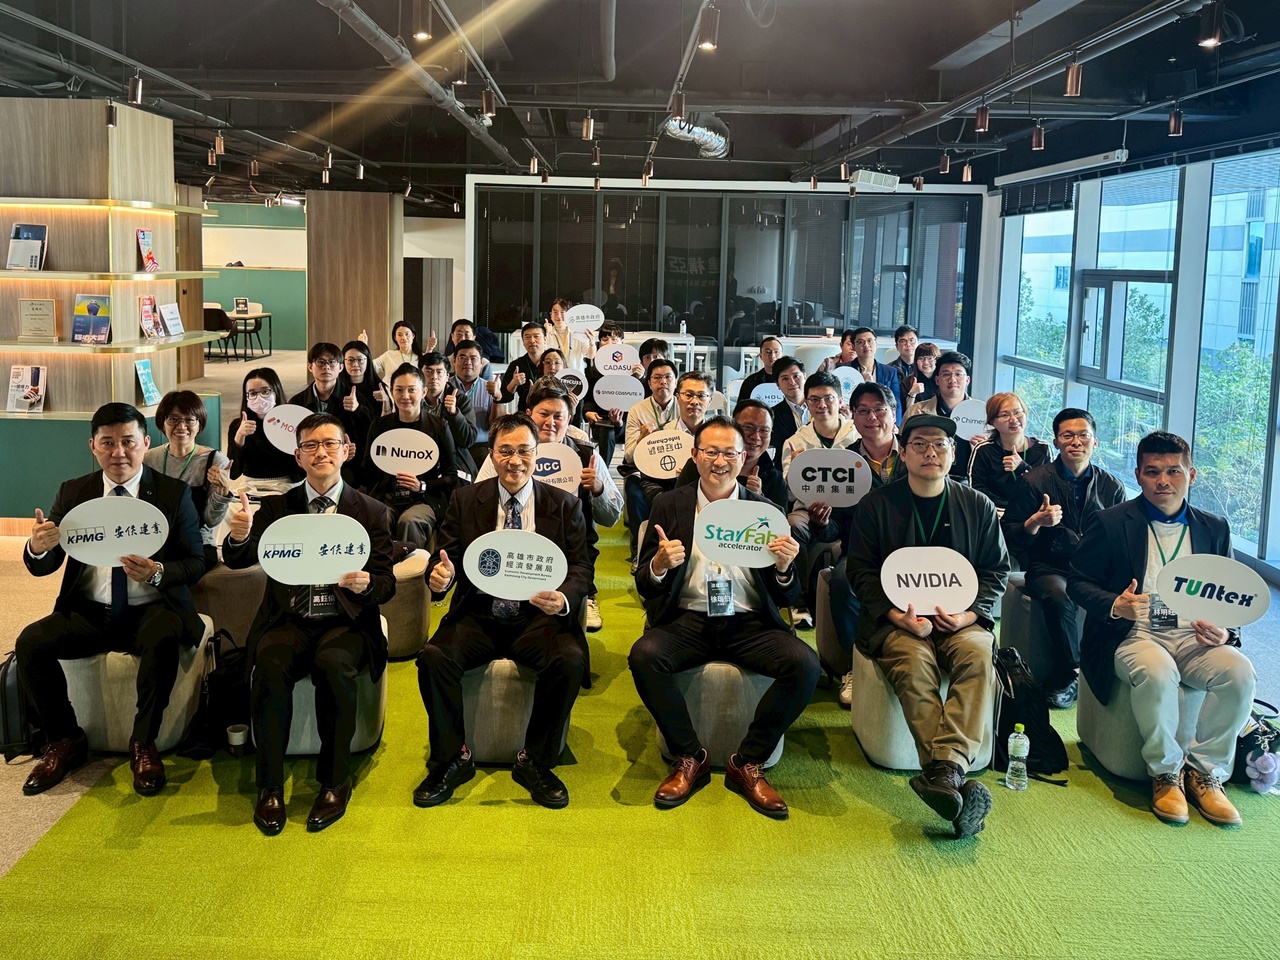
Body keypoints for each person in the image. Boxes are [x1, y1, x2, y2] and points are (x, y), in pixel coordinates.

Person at [16, 403, 210, 797]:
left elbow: (197, 561)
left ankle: (143, 743)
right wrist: (38, 547)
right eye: (107, 443)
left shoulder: (173, 493)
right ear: (93, 446)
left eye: (128, 442)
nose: (118, 452)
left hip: (151, 607)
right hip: (90, 611)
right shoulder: (75, 492)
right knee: (30, 642)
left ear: (145, 443)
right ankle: (65, 739)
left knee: (163, 635)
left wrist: (158, 571)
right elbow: (47, 563)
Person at [629, 415, 819, 818]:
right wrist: (659, 565)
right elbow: (645, 582)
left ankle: (748, 761)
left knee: (805, 665)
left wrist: (785, 568)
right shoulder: (669, 504)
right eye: (711, 452)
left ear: (744, 456)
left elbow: (789, 594)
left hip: (749, 622)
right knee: (644, 655)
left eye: (729, 453)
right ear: (695, 455)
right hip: (688, 618)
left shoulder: (765, 511)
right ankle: (688, 756)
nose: (720, 461)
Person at [1067, 431, 1255, 827]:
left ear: (1192, 475)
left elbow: (1232, 596)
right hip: (1134, 633)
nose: (1163, 481)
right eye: (1152, 472)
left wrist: (1226, 632)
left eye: (1174, 471)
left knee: (1239, 672)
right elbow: (1078, 582)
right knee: (1157, 672)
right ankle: (1165, 774)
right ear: (1138, 474)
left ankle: (1205, 773)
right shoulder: (1111, 523)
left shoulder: (1214, 528)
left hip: (1194, 635)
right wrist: (1115, 604)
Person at [224, 412, 395, 835]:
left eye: (330, 444)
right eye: (311, 446)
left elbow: (387, 583)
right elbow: (239, 559)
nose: (321, 452)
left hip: (346, 621)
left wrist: (368, 584)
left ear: (346, 450)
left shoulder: (371, 511)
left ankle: (335, 782)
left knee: (334, 665)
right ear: (298, 456)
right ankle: (269, 786)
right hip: (290, 618)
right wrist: (239, 535)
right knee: (270, 664)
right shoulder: (277, 508)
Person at [414, 414, 593, 810]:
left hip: (537, 617)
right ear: (492, 455)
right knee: (433, 657)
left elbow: (581, 567)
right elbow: (446, 557)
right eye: (505, 451)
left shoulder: (564, 505)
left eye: (524, 451)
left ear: (537, 454)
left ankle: (536, 761)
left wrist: (564, 598)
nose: (515, 461)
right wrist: (439, 577)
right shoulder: (466, 500)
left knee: (569, 660)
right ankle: (452, 758)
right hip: (479, 614)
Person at [847, 413, 1009, 839]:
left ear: (953, 453)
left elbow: (996, 571)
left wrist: (969, 615)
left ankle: (944, 772)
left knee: (978, 655)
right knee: (914, 663)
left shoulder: (978, 506)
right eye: (919, 444)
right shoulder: (875, 505)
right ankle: (952, 773)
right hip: (898, 621)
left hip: (961, 619)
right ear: (903, 453)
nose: (930, 452)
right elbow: (859, 571)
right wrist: (895, 615)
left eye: (940, 444)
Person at [1003, 408, 1126, 708]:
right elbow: (1008, 534)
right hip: (1048, 566)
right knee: (1059, 595)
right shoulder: (1034, 481)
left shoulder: (1112, 487)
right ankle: (1071, 673)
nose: (1076, 442)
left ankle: (1114, 667)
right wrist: (1035, 522)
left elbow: (1123, 538)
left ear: (1095, 442)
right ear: (1056, 441)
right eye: (1067, 435)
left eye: (1083, 435)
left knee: (1127, 594)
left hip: (1095, 569)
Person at [477, 379, 621, 634]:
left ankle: (586, 595)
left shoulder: (586, 455)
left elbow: (612, 517)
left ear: (569, 419)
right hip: (513, 540)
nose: (550, 423)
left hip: (569, 547)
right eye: (544, 414)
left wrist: (598, 489)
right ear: (529, 414)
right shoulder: (506, 452)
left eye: (559, 416)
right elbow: (476, 502)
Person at [827, 382, 907, 706]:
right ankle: (853, 667)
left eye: (879, 410)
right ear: (854, 416)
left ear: (893, 413)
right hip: (861, 553)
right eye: (863, 411)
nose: (872, 417)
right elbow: (834, 527)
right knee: (842, 581)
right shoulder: (842, 463)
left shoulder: (915, 453)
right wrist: (822, 521)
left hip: (912, 553)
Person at [780, 371, 859, 629]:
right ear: (806, 403)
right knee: (793, 525)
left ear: (840, 400)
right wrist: (796, 471)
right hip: (808, 509)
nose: (822, 405)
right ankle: (800, 600)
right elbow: (790, 493)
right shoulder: (796, 441)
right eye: (814, 400)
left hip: (851, 509)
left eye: (828, 398)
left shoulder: (857, 434)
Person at [361, 364, 461, 550]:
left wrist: (422, 486)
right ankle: (382, 566)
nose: (405, 396)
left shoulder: (439, 427)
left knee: (410, 521)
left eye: (412, 390)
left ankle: (412, 568)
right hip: (387, 496)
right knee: (380, 517)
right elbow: (366, 474)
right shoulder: (380, 426)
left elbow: (451, 476)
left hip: (424, 499)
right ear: (391, 392)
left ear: (423, 392)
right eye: (399, 390)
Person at [623, 367, 710, 561]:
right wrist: (666, 501)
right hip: (670, 504)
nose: (694, 401)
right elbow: (647, 479)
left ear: (710, 400)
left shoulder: (720, 438)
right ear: (678, 397)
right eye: (688, 395)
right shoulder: (661, 437)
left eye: (701, 396)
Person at [143, 390, 233, 557]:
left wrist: (223, 492)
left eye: (189, 419)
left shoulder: (215, 461)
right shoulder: (148, 459)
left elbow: (211, 521)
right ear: (162, 423)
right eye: (173, 419)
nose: (181, 426)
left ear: (199, 424)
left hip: (197, 544)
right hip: (156, 541)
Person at [675, 399, 787, 508]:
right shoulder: (700, 463)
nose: (756, 437)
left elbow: (779, 518)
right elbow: (677, 505)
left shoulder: (775, 479)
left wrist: (757, 498)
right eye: (749, 428)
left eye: (764, 430)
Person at [620, 358, 680, 556]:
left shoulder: (684, 408)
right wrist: (642, 439)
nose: (663, 382)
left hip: (675, 470)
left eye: (668, 377)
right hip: (643, 470)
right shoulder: (637, 410)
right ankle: (640, 552)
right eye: (657, 378)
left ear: (676, 381)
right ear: (649, 383)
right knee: (636, 495)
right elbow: (629, 456)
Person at [968, 392, 1050, 511]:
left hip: (1033, 514)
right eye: (1005, 415)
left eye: (1017, 412)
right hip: (994, 513)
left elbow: (1047, 490)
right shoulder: (984, 450)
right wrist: (1008, 512)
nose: (1013, 419)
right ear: (992, 422)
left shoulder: (1043, 449)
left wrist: (1023, 468)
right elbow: (977, 490)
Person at [904, 350, 976, 482]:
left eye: (958, 374)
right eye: (946, 374)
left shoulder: (982, 415)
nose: (952, 380)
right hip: (926, 480)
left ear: (967, 380)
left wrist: (982, 448)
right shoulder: (916, 411)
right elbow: (903, 449)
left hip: (970, 482)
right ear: (937, 380)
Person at [227, 367, 303, 487]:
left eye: (265, 391)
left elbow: (300, 473)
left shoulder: (290, 423)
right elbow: (233, 473)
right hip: (252, 487)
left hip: (287, 486)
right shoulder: (238, 426)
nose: (260, 398)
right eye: (253, 393)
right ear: (246, 396)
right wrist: (239, 438)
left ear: (276, 391)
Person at [821, 327, 904, 424]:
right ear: (854, 346)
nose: (866, 345)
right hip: (851, 421)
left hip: (881, 421)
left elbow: (896, 403)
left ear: (876, 344)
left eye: (870, 341)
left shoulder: (890, 372)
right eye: (860, 342)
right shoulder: (843, 369)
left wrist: (896, 425)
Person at [581, 320, 635, 465]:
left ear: (622, 343)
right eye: (605, 339)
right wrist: (588, 412)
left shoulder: (633, 370)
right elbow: (588, 399)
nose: (610, 343)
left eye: (614, 339)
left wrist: (640, 377)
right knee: (607, 430)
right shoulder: (593, 371)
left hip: (628, 423)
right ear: (599, 344)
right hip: (602, 422)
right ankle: (602, 473)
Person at [419, 351, 479, 479]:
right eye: (428, 371)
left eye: (439, 372)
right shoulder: (413, 399)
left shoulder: (460, 400)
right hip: (419, 456)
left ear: (447, 377)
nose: (434, 377)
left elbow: (468, 440)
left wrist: (454, 414)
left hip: (452, 460)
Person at [449, 338, 500, 468]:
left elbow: (497, 426)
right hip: (451, 447)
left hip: (481, 448)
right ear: (454, 361)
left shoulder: (490, 388)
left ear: (482, 363)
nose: (468, 362)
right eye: (462, 357)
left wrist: (498, 398)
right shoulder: (445, 386)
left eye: (473, 358)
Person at [498, 321, 546, 412]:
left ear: (545, 339)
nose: (532, 341)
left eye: (536, 336)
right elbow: (503, 397)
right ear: (523, 341)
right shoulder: (516, 365)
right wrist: (513, 383)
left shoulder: (553, 363)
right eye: (527, 337)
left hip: (549, 412)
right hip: (524, 413)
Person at [769, 356, 808, 453]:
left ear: (805, 377)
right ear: (777, 384)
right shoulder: (772, 415)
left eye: (796, 376)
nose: (792, 382)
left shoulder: (822, 407)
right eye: (785, 378)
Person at [537, 348, 584, 428]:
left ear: (564, 367)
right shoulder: (534, 388)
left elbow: (576, 427)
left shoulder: (575, 393)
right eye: (547, 362)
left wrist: (572, 411)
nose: (552, 367)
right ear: (542, 367)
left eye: (557, 363)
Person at [543, 298, 594, 369]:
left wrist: (592, 342)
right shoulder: (547, 333)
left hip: (576, 375)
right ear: (550, 314)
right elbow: (541, 355)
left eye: (562, 312)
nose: (559, 316)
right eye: (555, 312)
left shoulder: (578, 332)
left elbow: (590, 355)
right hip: (555, 374)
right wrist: (545, 333)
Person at [904, 341, 940, 405]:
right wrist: (912, 394)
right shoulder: (907, 383)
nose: (926, 362)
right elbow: (907, 410)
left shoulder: (944, 381)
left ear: (937, 360)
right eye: (921, 358)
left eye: (930, 358)